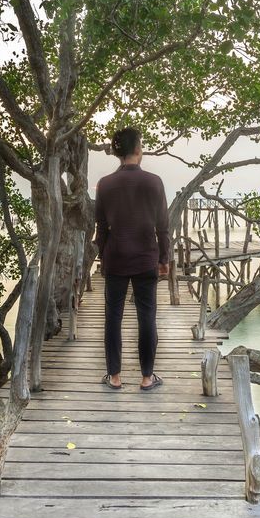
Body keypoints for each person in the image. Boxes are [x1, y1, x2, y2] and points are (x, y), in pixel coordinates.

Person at [93, 127, 170, 391]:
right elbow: (163, 226)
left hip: (115, 258)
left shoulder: (104, 184)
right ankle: (147, 377)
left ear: (117, 152)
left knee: (113, 318)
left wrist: (103, 255)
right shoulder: (154, 181)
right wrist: (165, 257)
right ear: (138, 149)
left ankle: (114, 377)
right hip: (146, 257)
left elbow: (101, 229)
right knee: (146, 317)